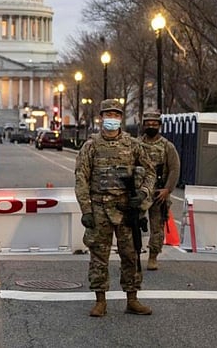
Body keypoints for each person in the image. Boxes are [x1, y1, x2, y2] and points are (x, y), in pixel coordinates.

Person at [75, 99, 155, 317]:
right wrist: (87, 210)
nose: (112, 118)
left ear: (120, 118)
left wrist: (143, 194)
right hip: (100, 207)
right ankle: (100, 300)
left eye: (115, 115)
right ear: (102, 117)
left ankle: (132, 298)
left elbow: (150, 172)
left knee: (131, 254)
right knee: (99, 256)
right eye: (108, 114)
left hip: (126, 207)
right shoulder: (91, 146)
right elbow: (81, 178)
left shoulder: (133, 145)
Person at [138, 111, 181, 271]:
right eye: (148, 124)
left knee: (157, 227)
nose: (151, 126)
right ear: (143, 125)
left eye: (154, 124)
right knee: (133, 225)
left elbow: (174, 169)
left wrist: (167, 189)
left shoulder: (167, 146)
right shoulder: (137, 144)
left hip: (159, 193)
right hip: (141, 193)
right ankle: (134, 254)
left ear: (159, 126)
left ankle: (153, 256)